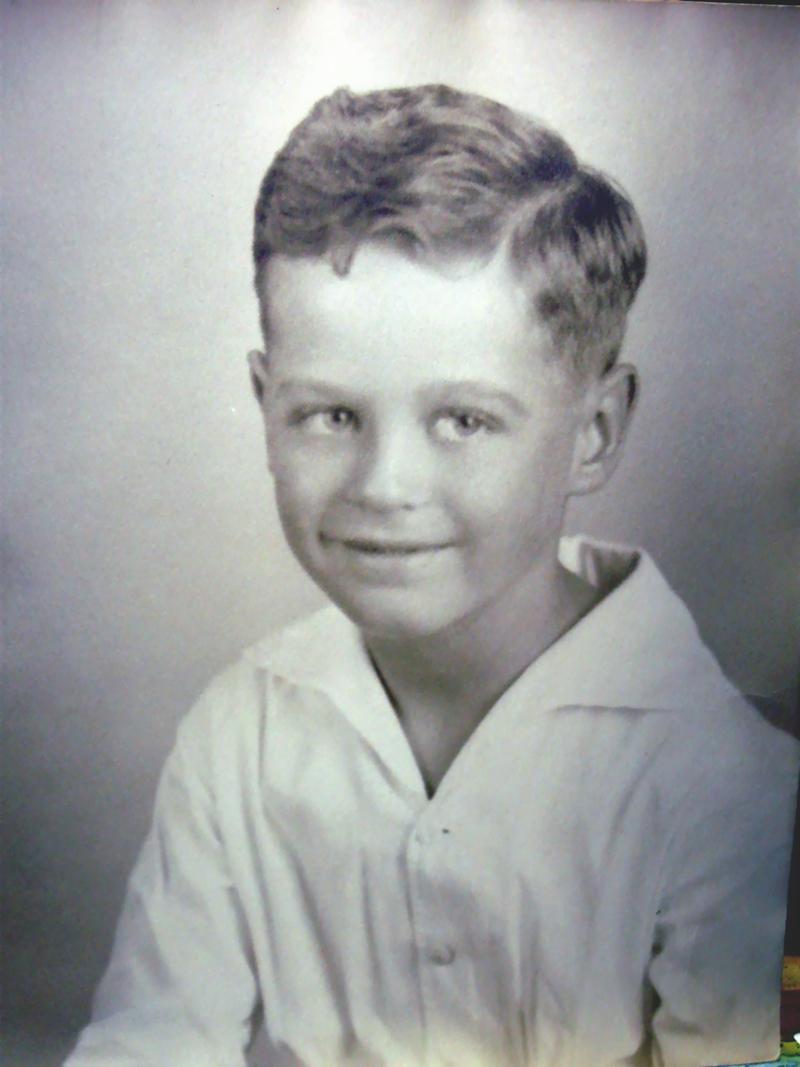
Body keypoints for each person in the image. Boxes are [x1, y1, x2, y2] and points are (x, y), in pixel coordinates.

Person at [65, 85, 799, 1067]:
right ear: (264, 405)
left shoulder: (725, 782)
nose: (383, 485)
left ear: (593, 433)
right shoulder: (240, 734)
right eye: (329, 414)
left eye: (463, 419)